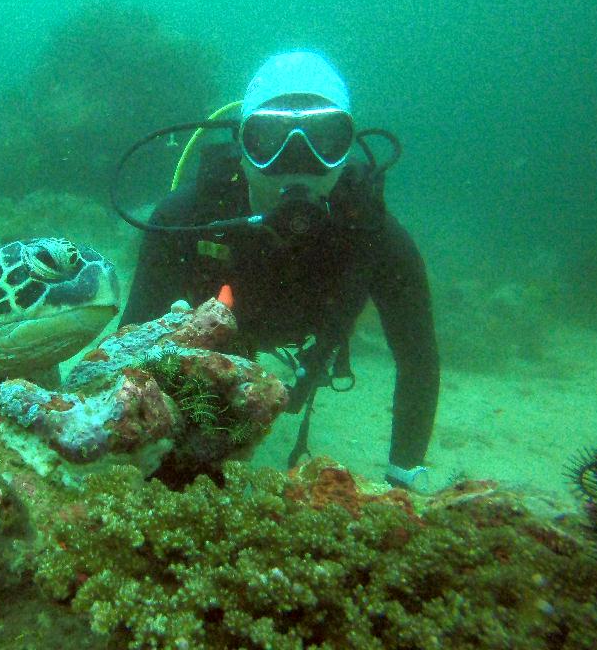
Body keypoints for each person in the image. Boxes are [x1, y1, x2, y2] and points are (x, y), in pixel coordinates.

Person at [119, 50, 440, 490]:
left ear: (347, 149)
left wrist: (405, 472)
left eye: (324, 139)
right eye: (270, 139)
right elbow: (133, 340)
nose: (297, 161)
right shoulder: (186, 216)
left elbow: (417, 357)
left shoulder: (376, 237)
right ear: (241, 147)